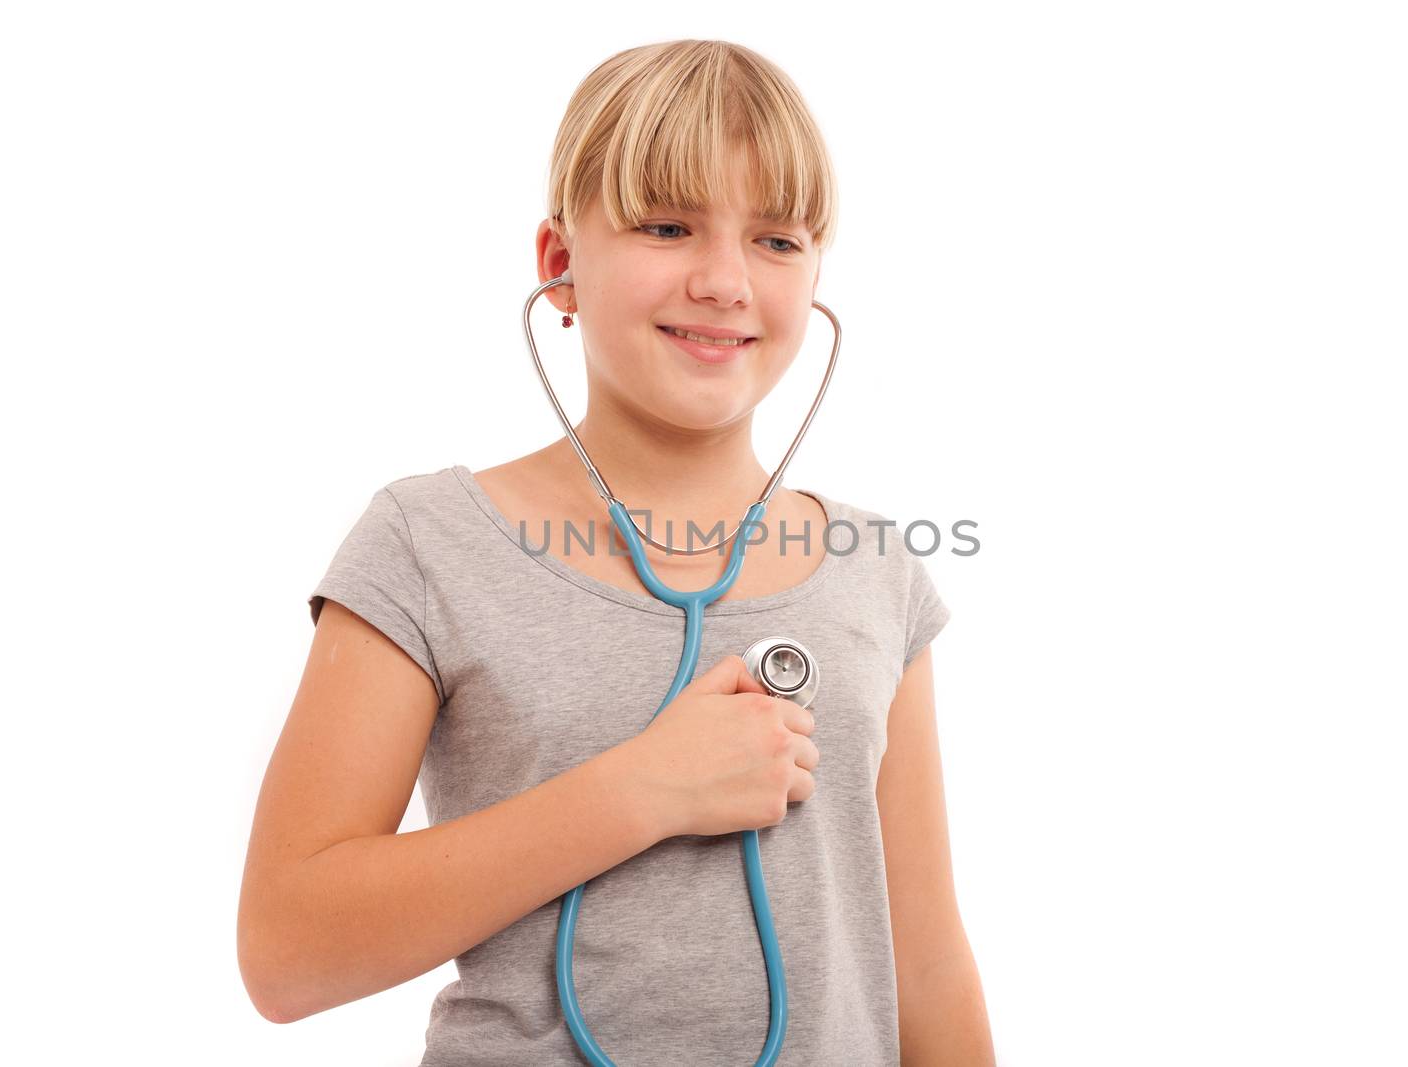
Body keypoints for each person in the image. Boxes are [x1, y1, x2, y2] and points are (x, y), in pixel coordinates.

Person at [237, 38, 994, 1065]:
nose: (725, 280)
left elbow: (927, 961)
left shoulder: (874, 570)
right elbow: (287, 952)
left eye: (776, 240)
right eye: (668, 225)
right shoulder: (427, 542)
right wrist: (643, 788)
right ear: (559, 266)